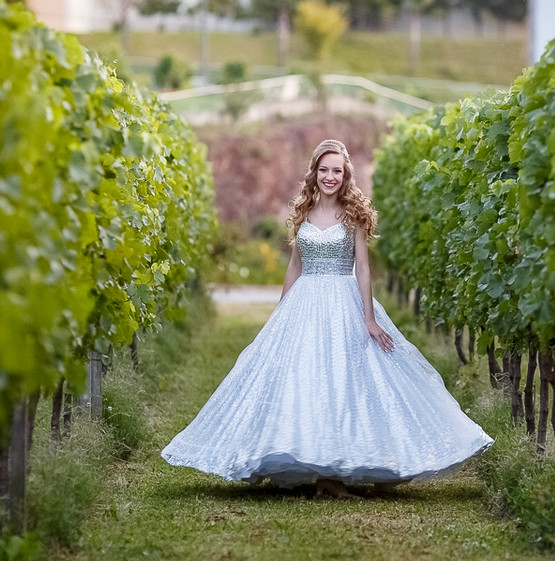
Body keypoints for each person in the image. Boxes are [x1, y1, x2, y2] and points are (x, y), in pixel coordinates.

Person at [161, 139, 492, 496]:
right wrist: (281, 314)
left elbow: (363, 269)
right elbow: (295, 265)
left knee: (347, 382)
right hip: (305, 300)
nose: (329, 177)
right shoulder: (303, 211)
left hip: (343, 299)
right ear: (314, 173)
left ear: (346, 175)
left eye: (337, 171)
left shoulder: (354, 215)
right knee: (305, 381)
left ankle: (354, 465)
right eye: (324, 170)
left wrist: (368, 318)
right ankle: (322, 475)